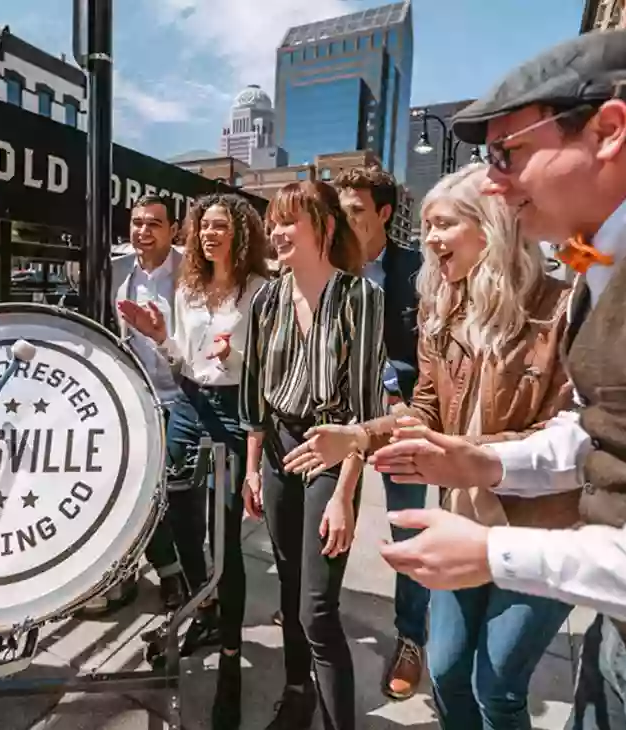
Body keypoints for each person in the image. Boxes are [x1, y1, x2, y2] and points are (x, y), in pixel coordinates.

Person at [364, 30, 626, 729]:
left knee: (498, 689)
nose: (492, 181)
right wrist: (482, 460)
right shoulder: (603, 273)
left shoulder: (575, 288)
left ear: (609, 130)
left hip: (569, 562)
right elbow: (592, 432)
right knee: (456, 674)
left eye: (506, 153)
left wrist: (495, 547)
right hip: (620, 636)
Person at [285, 164, 578, 729]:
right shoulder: (439, 310)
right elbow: (425, 408)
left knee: (495, 687)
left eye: (444, 224)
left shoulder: (561, 311)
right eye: (428, 227)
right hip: (462, 519)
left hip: (541, 531)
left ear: (490, 225)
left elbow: (569, 437)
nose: (431, 240)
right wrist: (360, 435)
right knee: (444, 673)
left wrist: (472, 455)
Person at [118, 193, 269, 729]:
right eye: (203, 226)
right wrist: (161, 338)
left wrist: (236, 357)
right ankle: (202, 602)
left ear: (240, 233)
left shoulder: (259, 291)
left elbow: (264, 371)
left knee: (225, 531)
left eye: (219, 225)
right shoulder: (189, 287)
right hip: (187, 405)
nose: (208, 234)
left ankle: (230, 657)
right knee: (178, 511)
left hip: (232, 413)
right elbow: (183, 358)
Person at [240, 180, 385, 730]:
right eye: (272, 221)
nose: (275, 231)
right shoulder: (267, 300)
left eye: (287, 221)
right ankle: (297, 693)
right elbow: (253, 392)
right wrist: (253, 469)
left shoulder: (360, 298)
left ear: (324, 228)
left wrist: (345, 496)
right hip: (277, 451)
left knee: (317, 611)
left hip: (331, 451)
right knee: (287, 584)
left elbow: (368, 414)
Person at [333, 165, 428, 701]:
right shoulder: (329, 267)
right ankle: (315, 605)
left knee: (408, 530)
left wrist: (400, 396)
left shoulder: (418, 271)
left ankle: (411, 637)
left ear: (385, 215)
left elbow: (429, 353)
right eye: (340, 211)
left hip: (399, 418)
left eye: (356, 213)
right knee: (327, 511)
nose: (345, 223)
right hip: (338, 415)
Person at [103, 194, 186, 614]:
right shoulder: (117, 269)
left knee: (178, 493)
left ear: (173, 229)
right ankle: (170, 571)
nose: (143, 231)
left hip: (182, 399)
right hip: (136, 397)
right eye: (137, 222)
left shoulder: (191, 271)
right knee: (142, 489)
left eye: (154, 223)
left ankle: (187, 572)